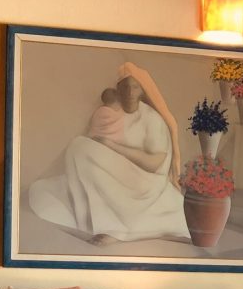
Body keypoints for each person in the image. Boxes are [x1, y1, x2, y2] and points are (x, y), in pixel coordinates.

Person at [29, 62, 187, 245]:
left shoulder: (152, 118)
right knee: (67, 161)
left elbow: (154, 163)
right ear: (118, 89)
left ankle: (113, 227)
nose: (130, 93)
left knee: (80, 148)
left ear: (142, 91)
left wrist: (112, 146)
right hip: (120, 175)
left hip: (146, 183)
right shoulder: (113, 112)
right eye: (125, 87)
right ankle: (88, 220)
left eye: (135, 87)